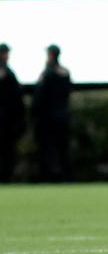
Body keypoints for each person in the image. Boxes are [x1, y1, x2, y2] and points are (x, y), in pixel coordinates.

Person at [32, 44, 72, 182]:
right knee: (63, 149)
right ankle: (65, 176)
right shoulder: (65, 73)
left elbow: (39, 96)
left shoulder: (47, 74)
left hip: (48, 119)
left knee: (48, 149)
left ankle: (49, 177)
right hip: (63, 117)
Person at [0, 43, 25, 182]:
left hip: (8, 120)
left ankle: (5, 176)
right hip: (6, 119)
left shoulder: (9, 72)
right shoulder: (8, 74)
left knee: (7, 150)